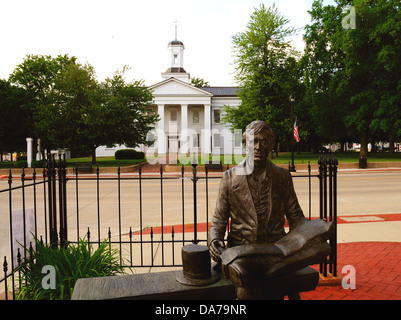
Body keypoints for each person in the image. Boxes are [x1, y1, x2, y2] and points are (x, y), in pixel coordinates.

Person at [208, 120, 332, 299]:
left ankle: (271, 271)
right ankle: (272, 272)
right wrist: (214, 240)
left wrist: (316, 231)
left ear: (271, 144)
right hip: (243, 252)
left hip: (276, 249)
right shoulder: (230, 178)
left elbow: (296, 216)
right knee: (245, 281)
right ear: (245, 145)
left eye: (264, 141)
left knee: (323, 249)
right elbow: (218, 220)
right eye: (254, 141)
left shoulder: (282, 177)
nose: (259, 147)